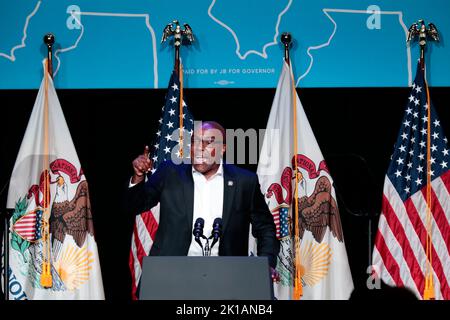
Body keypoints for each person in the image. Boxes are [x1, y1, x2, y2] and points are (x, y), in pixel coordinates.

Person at [127, 121, 280, 272]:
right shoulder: (170, 173)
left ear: (222, 149)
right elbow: (134, 205)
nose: (200, 148)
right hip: (171, 273)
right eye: (195, 142)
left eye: (208, 143)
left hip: (227, 276)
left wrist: (266, 264)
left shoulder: (245, 181)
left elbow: (265, 227)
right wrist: (138, 176)